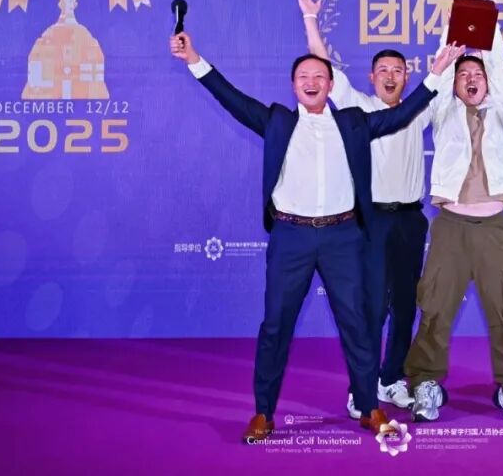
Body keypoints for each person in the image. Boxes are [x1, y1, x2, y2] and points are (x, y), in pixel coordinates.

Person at [169, 29, 462, 441]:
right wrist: (194, 60)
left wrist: (434, 75)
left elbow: (400, 116)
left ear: (330, 84)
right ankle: (263, 412)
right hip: (292, 237)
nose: (311, 82)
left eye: (319, 77)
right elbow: (232, 99)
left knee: (357, 324)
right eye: (303, 77)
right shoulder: (277, 121)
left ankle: (369, 407)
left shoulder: (352, 122)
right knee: (276, 326)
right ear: (294, 85)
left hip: (343, 238)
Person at [298, 0, 439, 418]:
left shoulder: (420, 110)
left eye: (398, 70)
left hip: (411, 221)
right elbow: (322, 65)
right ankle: (362, 387)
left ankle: (391, 379)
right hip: (372, 222)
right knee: (372, 307)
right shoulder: (358, 108)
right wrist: (310, 18)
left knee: (405, 307)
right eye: (384, 70)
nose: (391, 76)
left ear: (407, 77)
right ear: (372, 77)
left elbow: (448, 71)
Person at [404, 0, 503, 422]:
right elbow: (446, 65)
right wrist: (463, 13)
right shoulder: (443, 111)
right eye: (464, 74)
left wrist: (483, 14)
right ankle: (425, 384)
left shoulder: (499, 111)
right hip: (450, 227)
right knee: (435, 307)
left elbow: (498, 64)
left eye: (478, 74)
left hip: (494, 226)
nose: (472, 78)